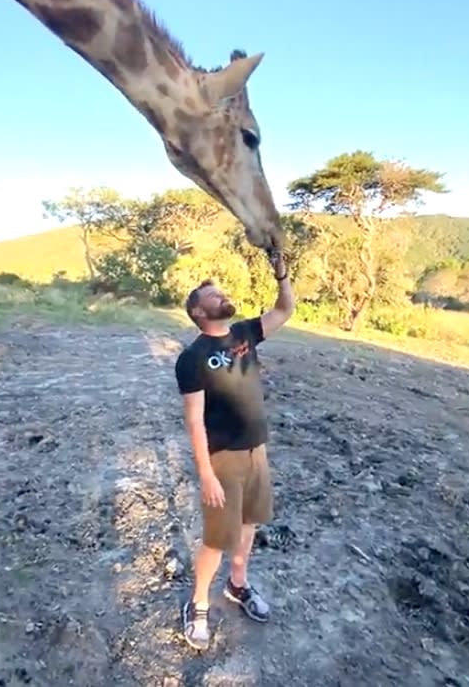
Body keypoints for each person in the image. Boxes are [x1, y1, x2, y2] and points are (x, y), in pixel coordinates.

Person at [174, 253, 295, 651]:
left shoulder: (245, 333)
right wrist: (206, 473)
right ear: (197, 310)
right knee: (216, 537)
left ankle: (237, 585)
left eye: (220, 291)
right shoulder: (191, 359)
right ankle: (198, 604)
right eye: (212, 294)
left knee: (249, 526)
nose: (221, 294)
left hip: (256, 452)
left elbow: (284, 309)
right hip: (222, 458)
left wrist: (281, 274)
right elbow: (194, 420)